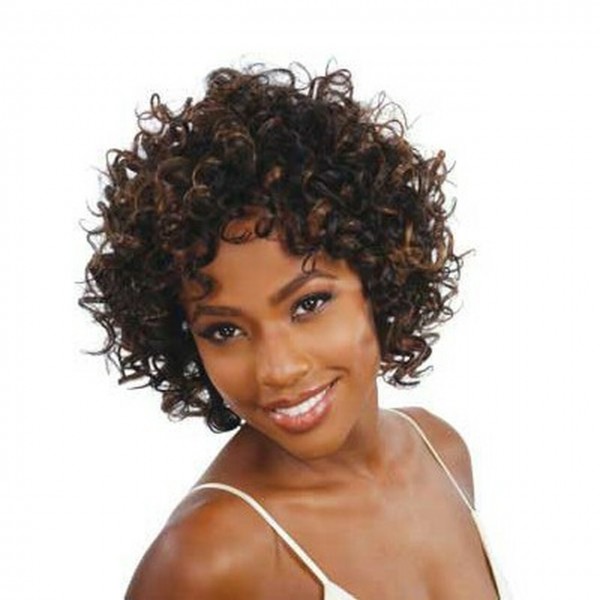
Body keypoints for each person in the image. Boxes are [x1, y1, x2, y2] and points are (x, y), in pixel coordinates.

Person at [80, 62, 509, 599]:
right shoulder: (208, 557)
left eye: (309, 304)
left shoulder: (442, 451)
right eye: (224, 331)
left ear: (380, 275)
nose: (278, 369)